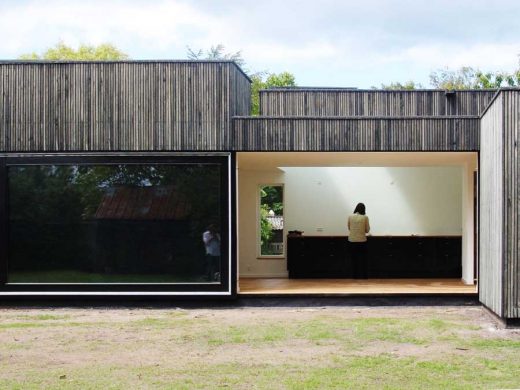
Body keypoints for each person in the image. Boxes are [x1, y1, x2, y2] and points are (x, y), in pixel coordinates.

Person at [347, 203, 370, 279]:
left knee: (353, 260)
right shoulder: (365, 217)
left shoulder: (350, 217)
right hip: (362, 241)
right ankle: (364, 276)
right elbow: (367, 230)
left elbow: (349, 228)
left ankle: (354, 276)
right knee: (363, 260)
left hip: (352, 241)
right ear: (363, 209)